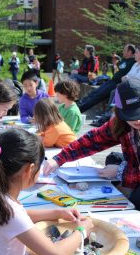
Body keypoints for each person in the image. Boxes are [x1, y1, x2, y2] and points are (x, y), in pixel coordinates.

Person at [43, 78, 140, 209]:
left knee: (136, 199)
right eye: (131, 115)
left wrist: (121, 171)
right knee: (113, 158)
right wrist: (59, 158)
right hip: (134, 164)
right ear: (120, 111)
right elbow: (92, 140)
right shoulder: (121, 123)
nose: (137, 120)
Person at [77, 44, 135, 113]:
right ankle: (79, 104)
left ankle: (80, 109)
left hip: (117, 83)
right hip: (112, 80)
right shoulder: (124, 59)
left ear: (130, 52)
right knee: (95, 92)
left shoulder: (133, 62)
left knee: (98, 96)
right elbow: (118, 64)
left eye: (124, 50)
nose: (123, 52)